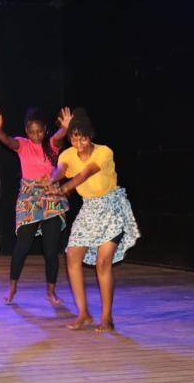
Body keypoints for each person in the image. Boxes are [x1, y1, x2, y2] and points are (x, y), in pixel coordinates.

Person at [50, 108, 140, 332]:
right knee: (72, 256)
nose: (78, 142)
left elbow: (86, 173)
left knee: (102, 263)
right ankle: (83, 314)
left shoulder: (104, 152)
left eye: (83, 137)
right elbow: (61, 169)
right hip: (89, 208)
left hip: (111, 207)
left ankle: (106, 317)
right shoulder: (67, 154)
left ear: (90, 136)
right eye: (74, 137)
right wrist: (51, 179)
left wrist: (67, 187)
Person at [0, 107, 71, 305]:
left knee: (50, 249)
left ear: (45, 130)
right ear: (26, 131)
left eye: (39, 131)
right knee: (22, 246)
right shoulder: (22, 144)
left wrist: (66, 127)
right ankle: (12, 288)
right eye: (32, 132)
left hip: (50, 196)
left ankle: (51, 291)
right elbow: (8, 141)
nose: (36, 135)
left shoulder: (51, 145)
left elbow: (59, 137)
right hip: (28, 199)